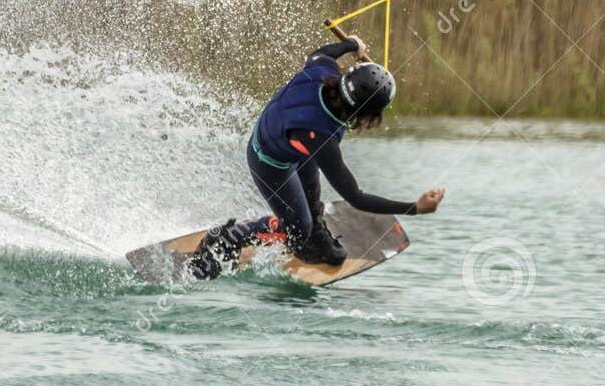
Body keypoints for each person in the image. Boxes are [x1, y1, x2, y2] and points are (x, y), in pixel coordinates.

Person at [190, 35, 445, 279]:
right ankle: (232, 236)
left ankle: (314, 225)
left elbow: (322, 52)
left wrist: (351, 44)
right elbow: (355, 197)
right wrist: (414, 208)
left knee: (313, 217)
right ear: (366, 114)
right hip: (268, 160)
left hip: (292, 138)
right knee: (298, 231)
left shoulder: (321, 70)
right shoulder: (322, 139)